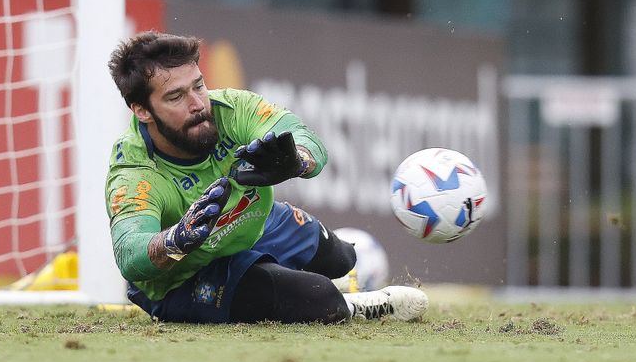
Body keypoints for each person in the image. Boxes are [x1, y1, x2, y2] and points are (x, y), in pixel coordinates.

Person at [105, 31, 428, 324]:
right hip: (186, 276)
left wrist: (295, 161)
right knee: (319, 297)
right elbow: (131, 256)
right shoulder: (134, 172)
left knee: (342, 258)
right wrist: (175, 240)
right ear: (142, 111)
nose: (198, 104)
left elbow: (309, 142)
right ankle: (350, 306)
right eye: (176, 97)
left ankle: (302, 281)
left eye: (199, 85)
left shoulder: (232, 109)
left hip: (254, 222)